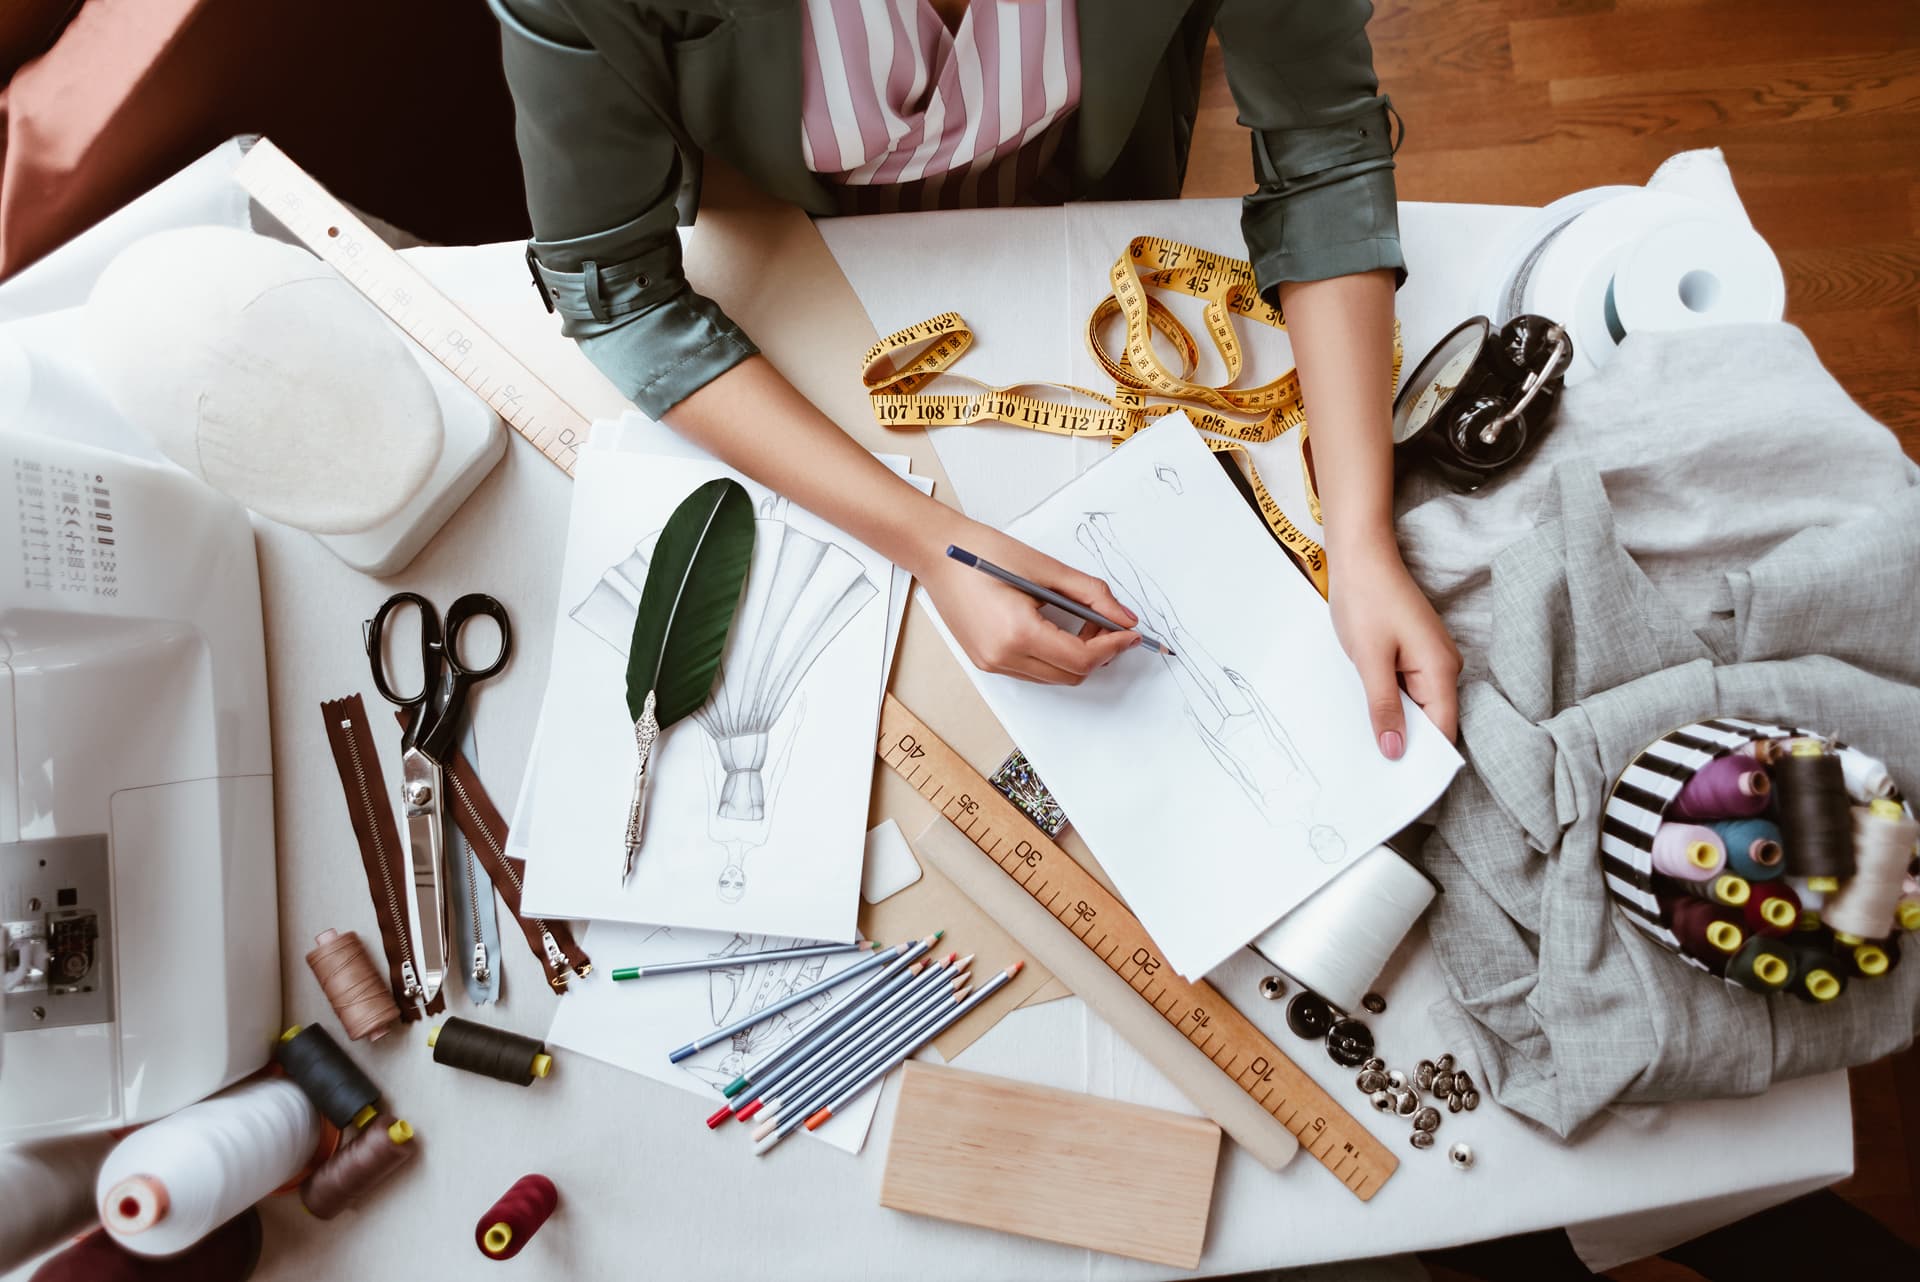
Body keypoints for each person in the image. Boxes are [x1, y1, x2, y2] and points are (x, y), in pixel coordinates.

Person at [488, 0, 1461, 756]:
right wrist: (931, 543)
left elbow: (1324, 151)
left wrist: (1364, 541)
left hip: (1077, 203)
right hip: (802, 261)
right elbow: (621, 294)